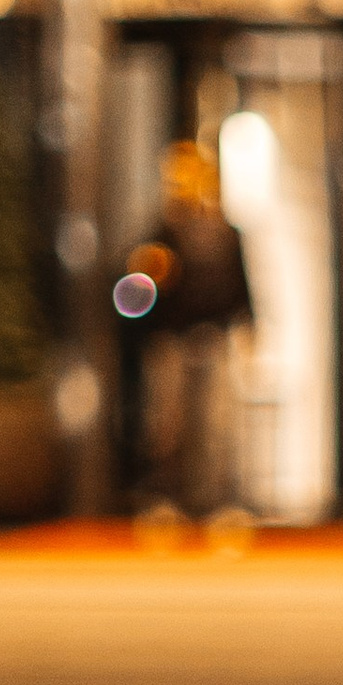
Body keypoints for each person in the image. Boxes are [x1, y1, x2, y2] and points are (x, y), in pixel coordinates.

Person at [121, 139, 254, 523]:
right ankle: (167, 500)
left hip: (214, 337)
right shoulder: (161, 232)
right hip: (172, 340)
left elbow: (241, 284)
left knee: (217, 426)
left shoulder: (225, 231)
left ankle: (217, 503)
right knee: (167, 426)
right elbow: (135, 294)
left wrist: (249, 327)